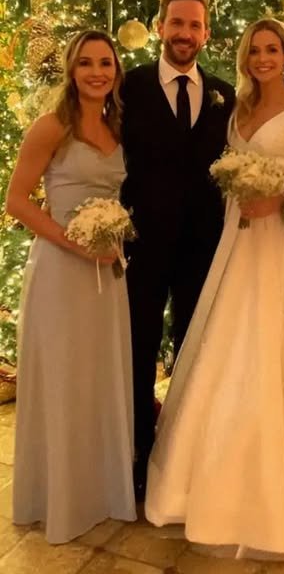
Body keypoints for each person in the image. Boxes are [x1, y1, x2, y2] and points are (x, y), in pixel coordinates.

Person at [144, 18, 284, 561]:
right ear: (246, 58)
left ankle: (270, 498)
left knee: (269, 352)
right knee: (224, 348)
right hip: (233, 241)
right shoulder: (236, 108)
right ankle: (203, 484)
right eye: (255, 50)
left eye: (273, 50)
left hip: (274, 244)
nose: (263, 58)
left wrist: (274, 201)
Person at [7, 30, 136, 543]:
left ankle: (101, 491)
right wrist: (75, 243)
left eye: (106, 63)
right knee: (64, 380)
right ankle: (58, 500)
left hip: (108, 272)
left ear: (116, 72)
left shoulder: (118, 125)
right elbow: (17, 201)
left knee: (99, 378)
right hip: (62, 271)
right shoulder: (52, 126)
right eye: (86, 63)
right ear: (71, 69)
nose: (97, 72)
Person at [120, 0, 235, 498]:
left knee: (194, 349)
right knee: (137, 349)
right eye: (177, 23)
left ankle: (184, 458)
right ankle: (137, 455)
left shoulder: (225, 94)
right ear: (160, 26)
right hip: (142, 246)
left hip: (202, 250)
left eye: (194, 25)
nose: (185, 33)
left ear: (206, 33)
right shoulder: (129, 86)